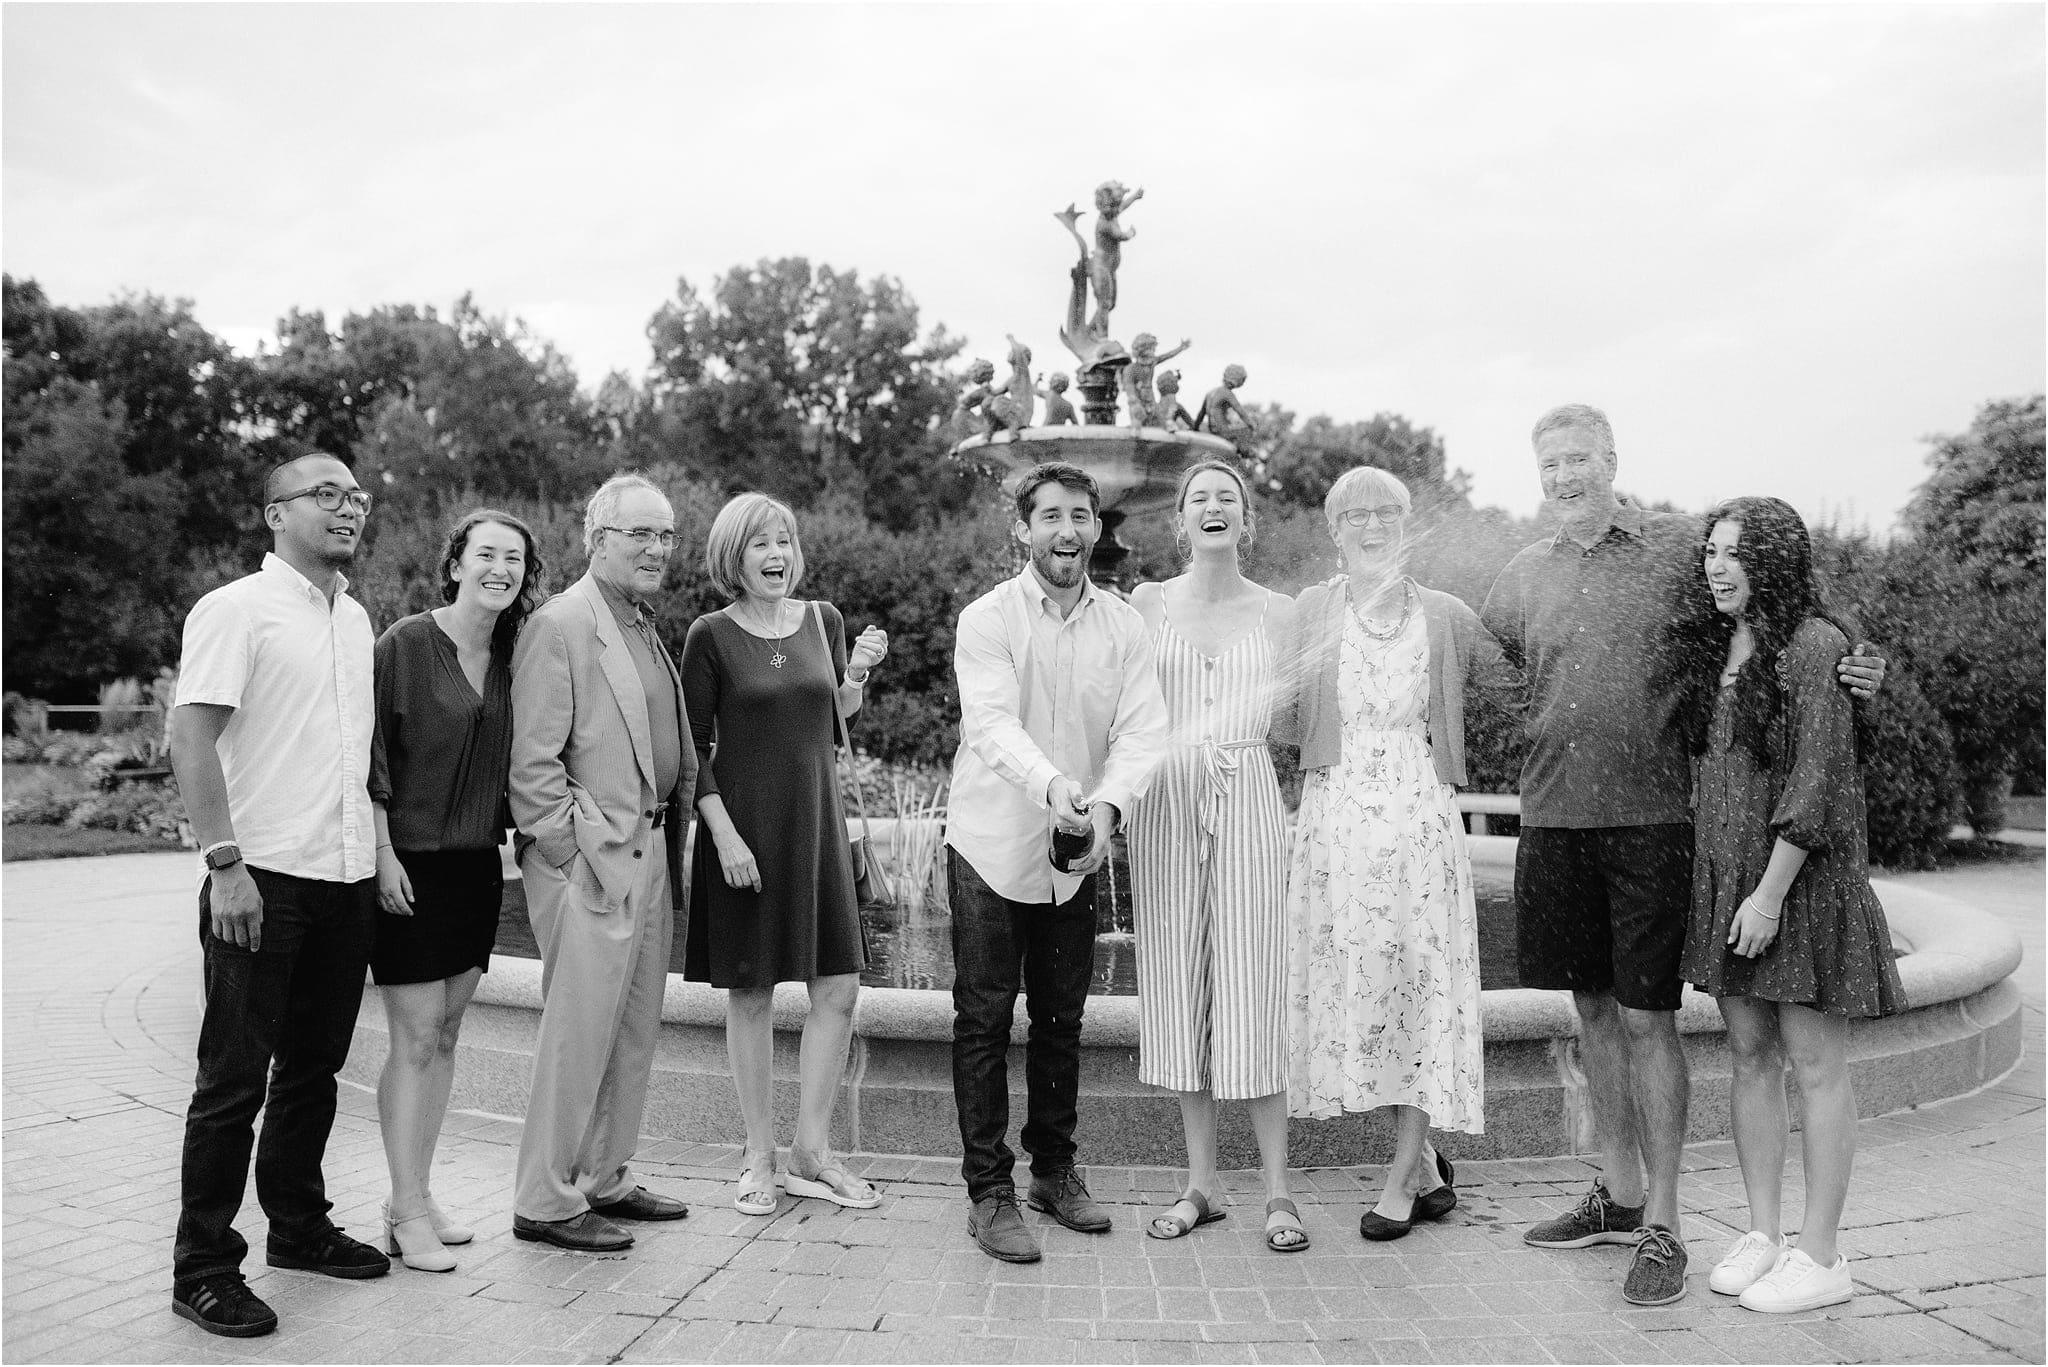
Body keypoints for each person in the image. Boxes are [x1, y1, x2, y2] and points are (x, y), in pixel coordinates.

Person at [1482, 404, 1884, 1306]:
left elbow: (1785, 599)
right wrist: (1541, 725)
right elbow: (1503, 666)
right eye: (1551, 463)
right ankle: (1617, 1193)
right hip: (1553, 825)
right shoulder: (1520, 573)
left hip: (1656, 826)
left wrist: (1861, 653)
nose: (1566, 476)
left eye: (1581, 458)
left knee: (1647, 1015)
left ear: (1613, 459)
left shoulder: (1675, 550)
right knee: (1590, 1008)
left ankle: (1664, 1220)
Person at [166, 452, 388, 1337]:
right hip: (259, 879)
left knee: (313, 1072)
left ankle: (297, 1228)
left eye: (356, 496)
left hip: (342, 879)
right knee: (231, 1079)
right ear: (275, 514)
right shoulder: (235, 610)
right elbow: (191, 736)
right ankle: (204, 1266)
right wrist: (226, 864)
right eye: (325, 495)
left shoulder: (355, 618)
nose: (347, 509)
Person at [1665, 497, 1904, 1313]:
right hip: (1733, 884)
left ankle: (1823, 1255)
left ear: (1774, 561)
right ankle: (1764, 1234)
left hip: (1797, 886)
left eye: (1735, 553)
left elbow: (1818, 780)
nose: (1717, 566)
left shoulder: (1816, 646)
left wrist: (1768, 895)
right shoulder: (1715, 647)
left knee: (1815, 1064)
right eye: (1711, 552)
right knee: (1750, 1057)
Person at [946, 461, 1170, 1264]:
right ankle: (988, 1192)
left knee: (1060, 1021)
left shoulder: (1124, 626)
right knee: (981, 1022)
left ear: (1095, 527)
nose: (1068, 530)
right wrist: (1055, 788)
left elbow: (1145, 730)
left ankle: (1054, 1171)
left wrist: (1104, 809)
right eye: (1051, 516)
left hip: (1077, 848)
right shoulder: (988, 619)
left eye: (1081, 515)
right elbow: (991, 725)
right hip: (990, 844)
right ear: (1022, 528)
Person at [1286, 466, 1515, 1242]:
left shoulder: (1445, 614)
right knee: (1364, 991)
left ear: (1407, 524)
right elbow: (1277, 712)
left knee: (1417, 990)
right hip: (1336, 818)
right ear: (1334, 529)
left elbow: (1527, 684)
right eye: (1356, 515)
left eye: (1387, 512)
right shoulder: (1313, 611)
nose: (1373, 525)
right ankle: (1424, 1164)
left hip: (1417, 813)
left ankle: (1401, 1176)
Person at [681, 493, 891, 1217]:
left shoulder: (823, 619)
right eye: (759, 543)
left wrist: (856, 674)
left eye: (785, 541)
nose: (776, 554)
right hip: (744, 833)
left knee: (838, 988)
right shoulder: (709, 635)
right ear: (732, 557)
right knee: (752, 990)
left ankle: (811, 1153)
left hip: (817, 825)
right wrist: (724, 835)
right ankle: (757, 1157)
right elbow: (691, 748)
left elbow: (831, 718)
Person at [507, 473, 695, 1253]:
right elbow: (532, 765)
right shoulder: (561, 624)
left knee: (632, 1031)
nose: (657, 548)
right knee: (578, 1033)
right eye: (640, 534)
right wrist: (568, 855)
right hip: (593, 862)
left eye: (665, 535)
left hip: (648, 852)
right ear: (597, 538)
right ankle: (544, 1198)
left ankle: (604, 1175)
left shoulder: (642, 622)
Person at [1126, 461, 1304, 1252]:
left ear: (1245, 519)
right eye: (1198, 497)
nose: (1212, 506)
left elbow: (1303, 721)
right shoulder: (1146, 602)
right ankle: (1202, 1182)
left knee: (1254, 981)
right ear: (1180, 520)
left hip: (1249, 797)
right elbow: (1124, 710)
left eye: (1226, 497)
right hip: (1165, 802)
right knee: (1180, 983)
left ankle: (1278, 1191)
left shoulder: (1282, 611)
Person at [367, 508, 543, 1272]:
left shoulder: (516, 653)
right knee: (414, 1034)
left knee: (445, 1036)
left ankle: (417, 1192)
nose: (500, 569)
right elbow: (366, 754)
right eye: (487, 555)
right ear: (456, 564)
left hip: (477, 866)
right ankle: (405, 1211)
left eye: (515, 559)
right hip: (406, 861)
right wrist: (380, 856)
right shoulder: (405, 643)